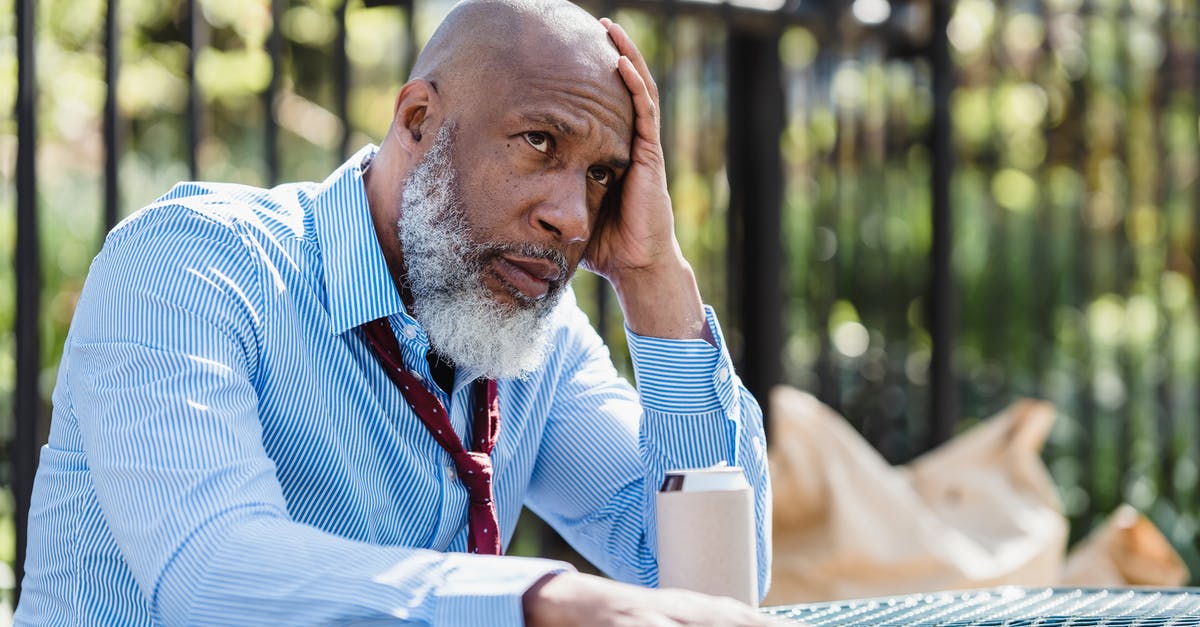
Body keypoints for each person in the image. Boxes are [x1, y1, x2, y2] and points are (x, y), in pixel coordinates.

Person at [16, 0, 777, 624]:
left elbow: (705, 582)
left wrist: (655, 281)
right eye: (540, 141)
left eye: (602, 174)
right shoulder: (193, 265)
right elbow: (212, 570)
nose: (574, 218)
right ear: (417, 119)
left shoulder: (536, 344)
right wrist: (536, 599)